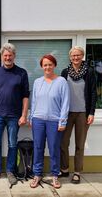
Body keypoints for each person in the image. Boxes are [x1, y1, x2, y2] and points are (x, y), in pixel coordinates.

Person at [0, 43, 29, 186]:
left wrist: (24, 115)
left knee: (12, 144)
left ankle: (10, 171)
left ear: (14, 56)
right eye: (5, 55)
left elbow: (25, 96)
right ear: (2, 56)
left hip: (14, 115)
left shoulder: (21, 73)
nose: (8, 57)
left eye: (10, 55)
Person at [29, 54, 69, 189]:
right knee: (38, 147)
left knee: (54, 149)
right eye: (45, 65)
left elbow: (65, 103)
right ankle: (37, 174)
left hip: (54, 120)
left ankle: (55, 175)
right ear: (42, 67)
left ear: (54, 65)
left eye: (50, 64)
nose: (47, 67)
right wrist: (31, 117)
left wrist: (62, 121)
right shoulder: (37, 82)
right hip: (38, 120)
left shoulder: (62, 81)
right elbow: (33, 101)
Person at [60, 46, 96, 184]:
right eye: (73, 55)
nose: (76, 58)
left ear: (82, 56)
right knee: (63, 142)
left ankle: (77, 172)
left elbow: (93, 93)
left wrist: (91, 112)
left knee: (80, 144)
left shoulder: (89, 72)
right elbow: (61, 92)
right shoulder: (65, 72)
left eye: (78, 55)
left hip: (83, 113)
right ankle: (64, 169)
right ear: (70, 57)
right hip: (67, 113)